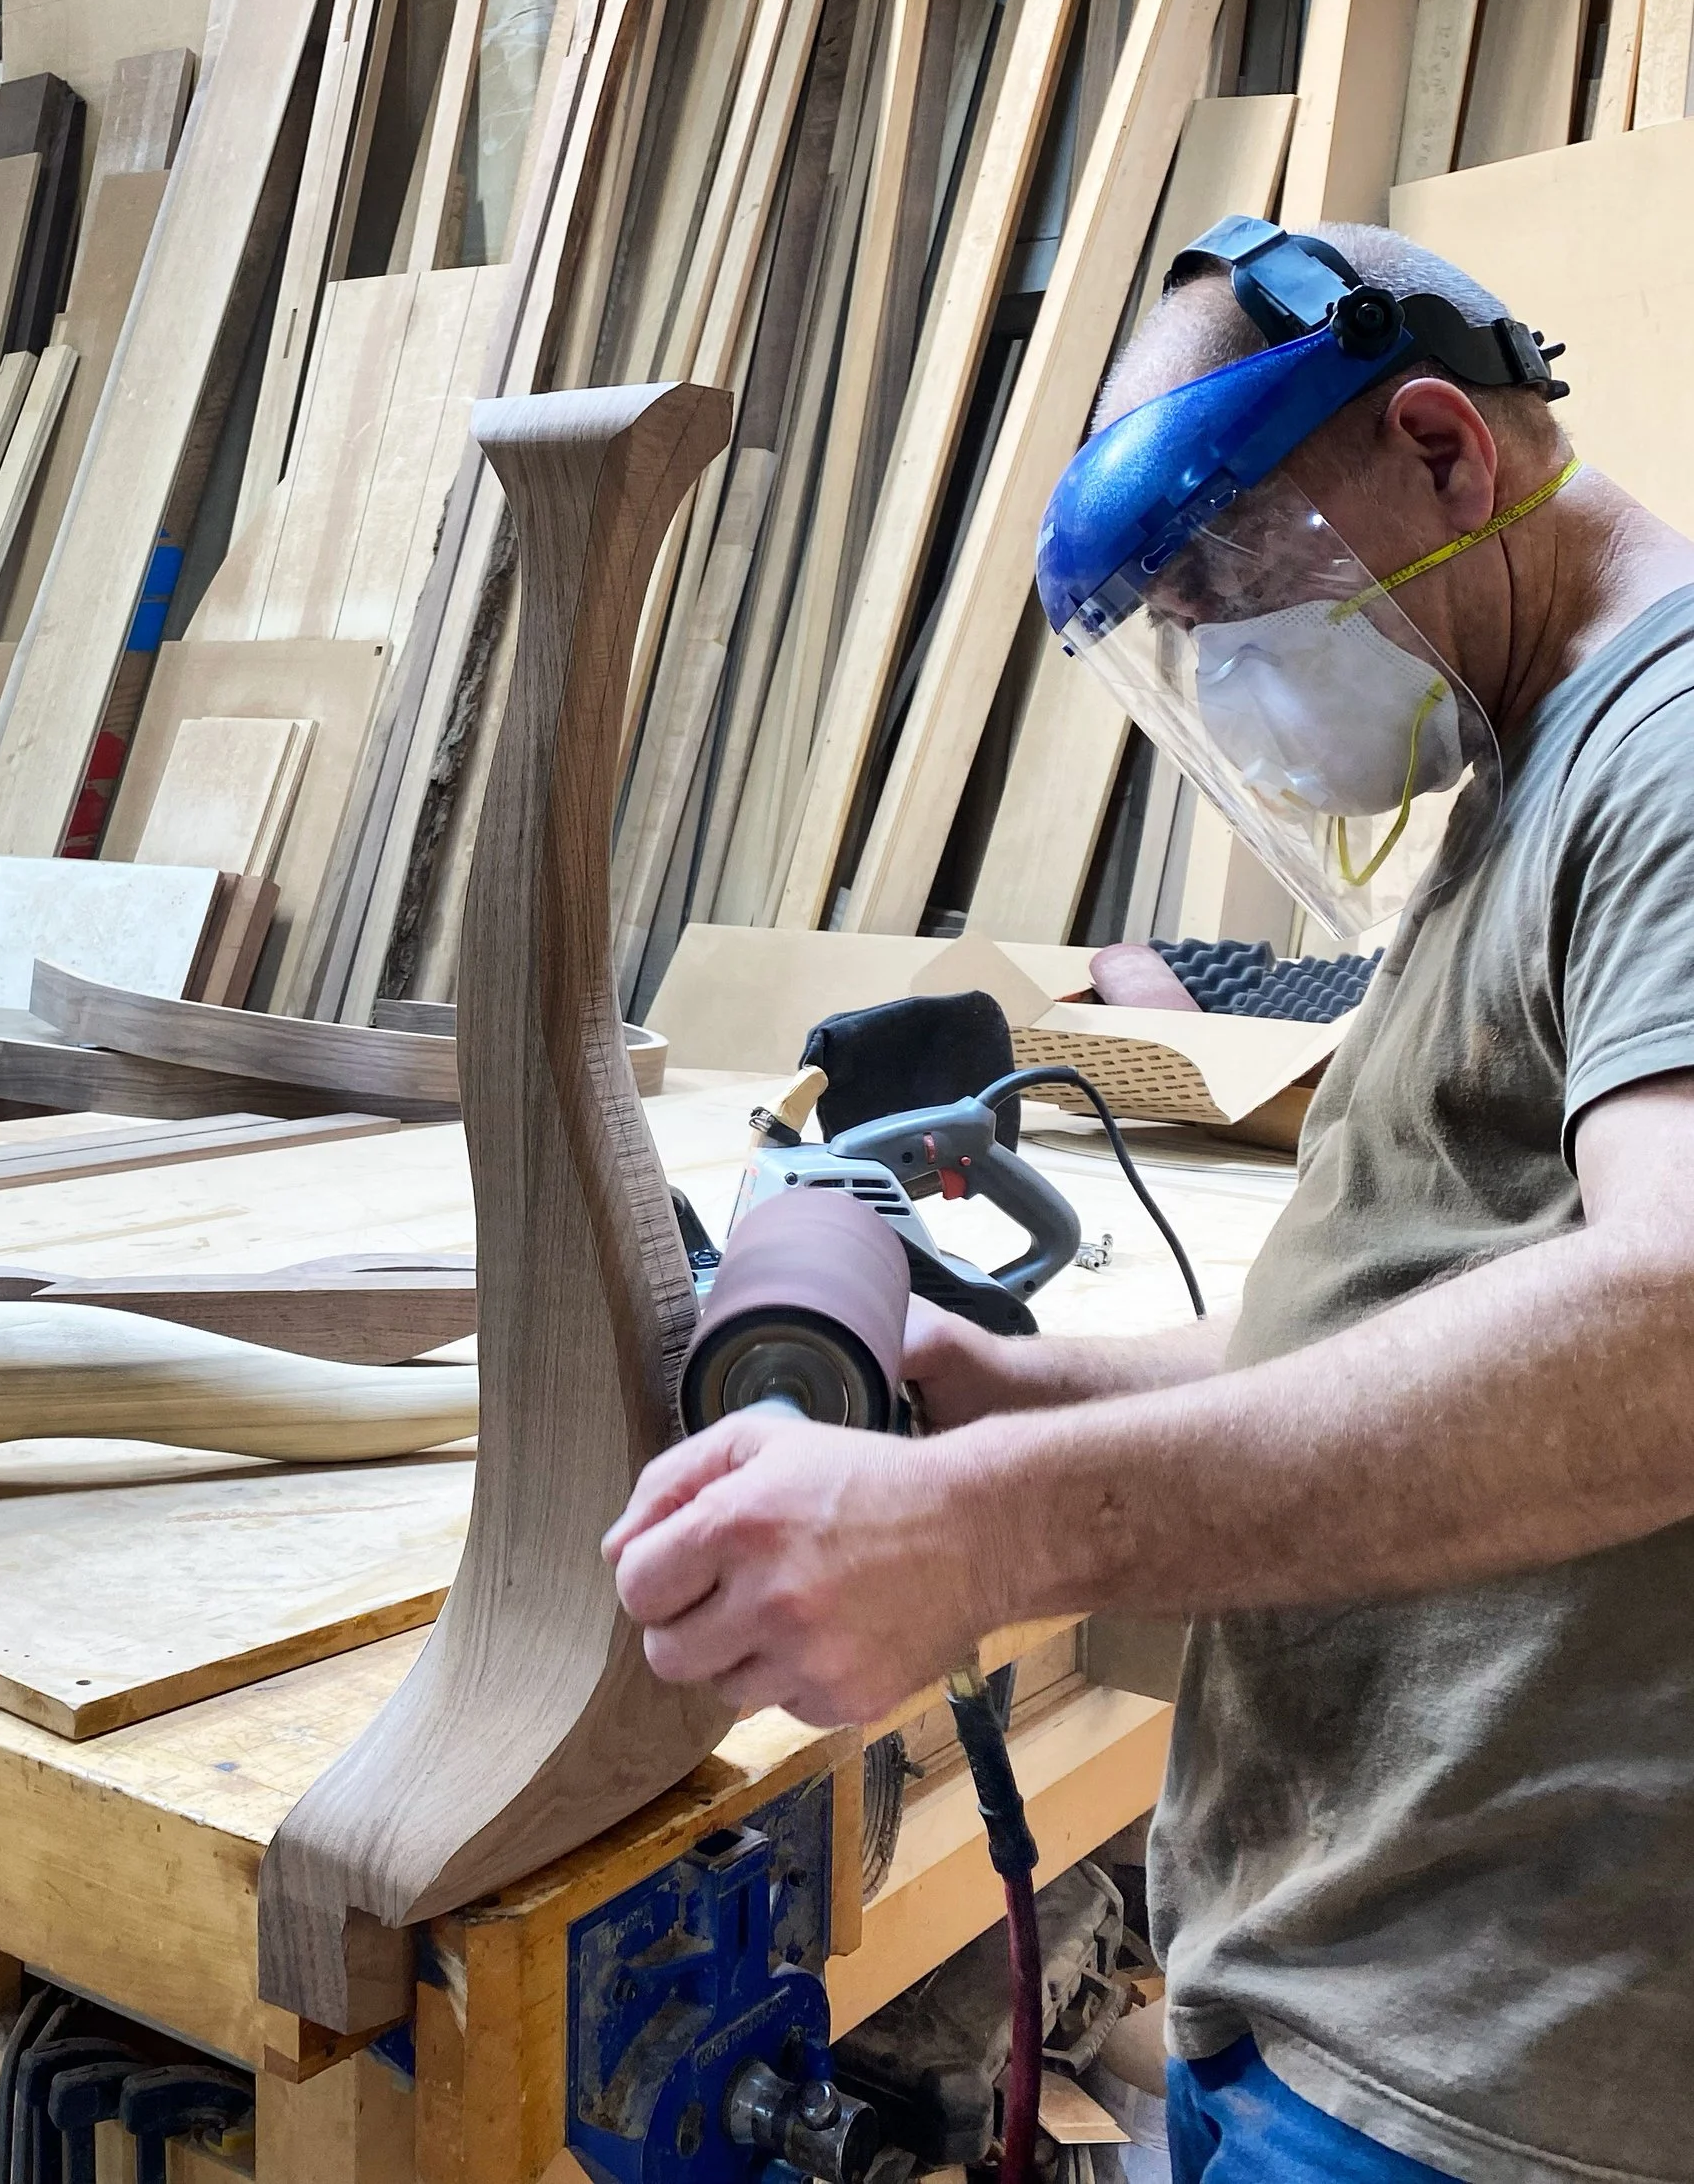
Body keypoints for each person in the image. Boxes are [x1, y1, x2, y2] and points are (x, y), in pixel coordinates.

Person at [602, 221, 1694, 2183]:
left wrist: (992, 1530)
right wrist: (1025, 1397)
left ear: (1436, 447)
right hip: (1341, 1989)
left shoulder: (1669, 752)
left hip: (1480, 2085)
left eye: (1229, 593)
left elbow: (1671, 1328)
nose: (1221, 670)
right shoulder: (1523, 771)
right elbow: (1392, 1306)